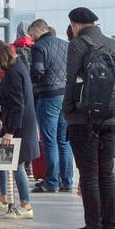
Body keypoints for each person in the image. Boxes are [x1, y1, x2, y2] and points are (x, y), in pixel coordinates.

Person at [63, 7, 115, 229]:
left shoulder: (76, 45)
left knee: (89, 175)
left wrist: (68, 111)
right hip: (110, 121)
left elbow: (70, 83)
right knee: (106, 175)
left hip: (82, 120)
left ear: (75, 25)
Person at [0, 38, 38, 218]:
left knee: (17, 166)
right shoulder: (16, 67)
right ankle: (2, 196)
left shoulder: (13, 73)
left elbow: (18, 104)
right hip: (17, 124)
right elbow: (13, 96)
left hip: (19, 127)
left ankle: (26, 205)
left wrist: (10, 132)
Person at [28, 19, 71, 193]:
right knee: (64, 140)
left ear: (38, 30)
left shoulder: (39, 47)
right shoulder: (65, 44)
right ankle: (67, 181)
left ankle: (51, 182)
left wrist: (34, 83)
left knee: (49, 140)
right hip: (66, 95)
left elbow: (38, 71)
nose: (31, 38)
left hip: (48, 96)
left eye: (31, 34)